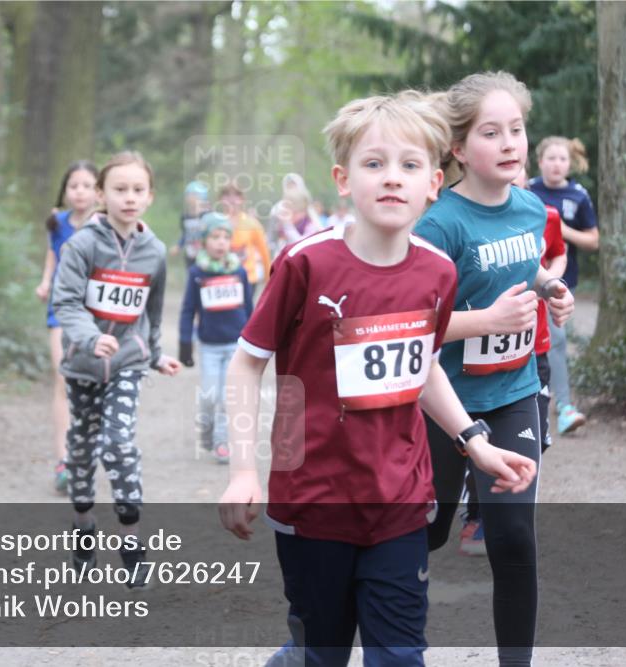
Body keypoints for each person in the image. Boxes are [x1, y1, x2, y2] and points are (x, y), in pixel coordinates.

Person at [219, 91, 538, 667]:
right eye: (374, 164)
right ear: (343, 179)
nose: (392, 179)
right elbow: (246, 362)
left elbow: (425, 366)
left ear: (434, 183)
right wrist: (244, 469)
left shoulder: (437, 272)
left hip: (399, 501)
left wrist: (474, 442)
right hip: (312, 503)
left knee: (398, 657)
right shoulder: (305, 263)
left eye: (409, 166)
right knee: (322, 654)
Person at [415, 72, 575, 667]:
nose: (511, 143)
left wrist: (550, 287)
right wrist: (481, 321)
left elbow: (524, 271)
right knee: (427, 533)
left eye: (517, 129)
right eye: (491, 132)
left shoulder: (531, 207)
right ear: (458, 149)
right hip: (442, 400)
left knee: (512, 538)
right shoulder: (439, 224)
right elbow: (411, 323)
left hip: (513, 392)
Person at [51, 151, 182, 587]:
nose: (129, 198)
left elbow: (154, 312)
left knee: (119, 442)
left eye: (138, 190)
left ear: (150, 196)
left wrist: (156, 353)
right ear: (102, 195)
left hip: (127, 361)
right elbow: (65, 303)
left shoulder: (155, 252)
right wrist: (90, 337)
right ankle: (84, 528)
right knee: (83, 448)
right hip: (83, 363)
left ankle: (132, 542)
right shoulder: (82, 245)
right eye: (120, 190)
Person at [459, 163, 567, 557]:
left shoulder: (539, 212)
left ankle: (498, 519)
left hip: (530, 351)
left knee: (534, 443)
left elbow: (551, 260)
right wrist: (486, 320)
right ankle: (473, 513)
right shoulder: (452, 222)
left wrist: (553, 285)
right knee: (472, 441)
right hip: (462, 366)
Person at [528, 136, 599, 436]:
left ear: (570, 164)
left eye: (562, 159)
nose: (557, 164)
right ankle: (528, 403)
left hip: (560, 284)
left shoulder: (578, 195)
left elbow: (594, 240)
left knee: (555, 340)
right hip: (525, 280)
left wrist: (563, 230)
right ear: (539, 161)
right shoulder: (526, 190)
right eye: (551, 158)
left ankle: (564, 407)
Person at [36, 160, 98, 494]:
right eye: (74, 185)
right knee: (61, 380)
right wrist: (45, 282)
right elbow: (52, 256)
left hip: (95, 314)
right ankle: (63, 461)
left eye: (87, 185)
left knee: (90, 383)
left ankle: (84, 456)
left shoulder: (104, 225)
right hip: (60, 308)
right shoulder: (56, 222)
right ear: (66, 190)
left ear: (98, 191)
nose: (80, 192)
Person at [177, 212, 252, 463]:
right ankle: (207, 431)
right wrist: (185, 343)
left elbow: (250, 308)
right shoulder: (198, 273)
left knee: (227, 396)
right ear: (203, 242)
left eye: (225, 237)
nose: (221, 242)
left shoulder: (239, 271)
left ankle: (222, 442)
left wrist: (254, 341)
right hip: (208, 346)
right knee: (209, 395)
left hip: (235, 344)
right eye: (215, 237)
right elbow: (188, 309)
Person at [220, 181, 271, 298]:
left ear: (242, 199)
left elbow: (265, 253)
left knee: (244, 315)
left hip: (248, 279)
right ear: (221, 199)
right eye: (227, 195)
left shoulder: (252, 224)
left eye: (236, 195)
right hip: (222, 278)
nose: (232, 199)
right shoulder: (215, 223)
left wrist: (269, 281)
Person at [171, 180, 210, 268]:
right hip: (190, 254)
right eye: (188, 194)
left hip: (205, 255)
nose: (190, 197)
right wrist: (178, 246)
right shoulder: (185, 217)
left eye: (193, 194)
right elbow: (185, 234)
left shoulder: (207, 216)